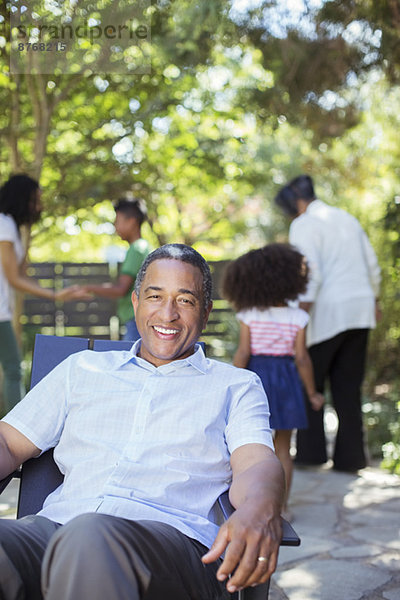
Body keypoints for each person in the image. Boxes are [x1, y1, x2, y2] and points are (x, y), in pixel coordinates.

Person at [0, 243, 285, 600]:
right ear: (135, 302)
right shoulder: (82, 369)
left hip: (170, 547)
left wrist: (260, 508)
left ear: (206, 311)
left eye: (185, 300)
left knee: (89, 536)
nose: (167, 314)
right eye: (155, 296)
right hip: (54, 529)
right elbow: (9, 442)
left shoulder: (235, 386)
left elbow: (256, 464)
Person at [274, 174, 381, 472]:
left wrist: (298, 317)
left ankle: (312, 454)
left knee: (310, 381)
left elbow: (310, 272)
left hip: (326, 314)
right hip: (359, 310)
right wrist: (375, 299)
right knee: (348, 387)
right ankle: (351, 459)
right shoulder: (346, 217)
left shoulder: (304, 223)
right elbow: (371, 263)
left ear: (295, 202)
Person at [221, 243, 324, 516]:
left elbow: (243, 353)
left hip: (257, 378)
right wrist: (312, 392)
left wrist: (229, 385)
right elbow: (302, 358)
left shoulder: (249, 314)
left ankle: (247, 501)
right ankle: (282, 506)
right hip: (287, 382)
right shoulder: (299, 316)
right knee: (283, 449)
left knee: (250, 442)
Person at [0, 174, 78, 413]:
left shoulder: (11, 225)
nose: (39, 206)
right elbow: (14, 278)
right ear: (22, 198)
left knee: (13, 369)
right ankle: (17, 432)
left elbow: (21, 271)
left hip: (2, 310)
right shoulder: (4, 223)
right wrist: (55, 295)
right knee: (14, 369)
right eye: (35, 200)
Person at [80, 196, 151, 341]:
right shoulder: (143, 247)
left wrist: (87, 288)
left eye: (117, 221)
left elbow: (120, 289)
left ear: (131, 222)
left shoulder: (137, 249)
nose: (114, 226)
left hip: (135, 321)